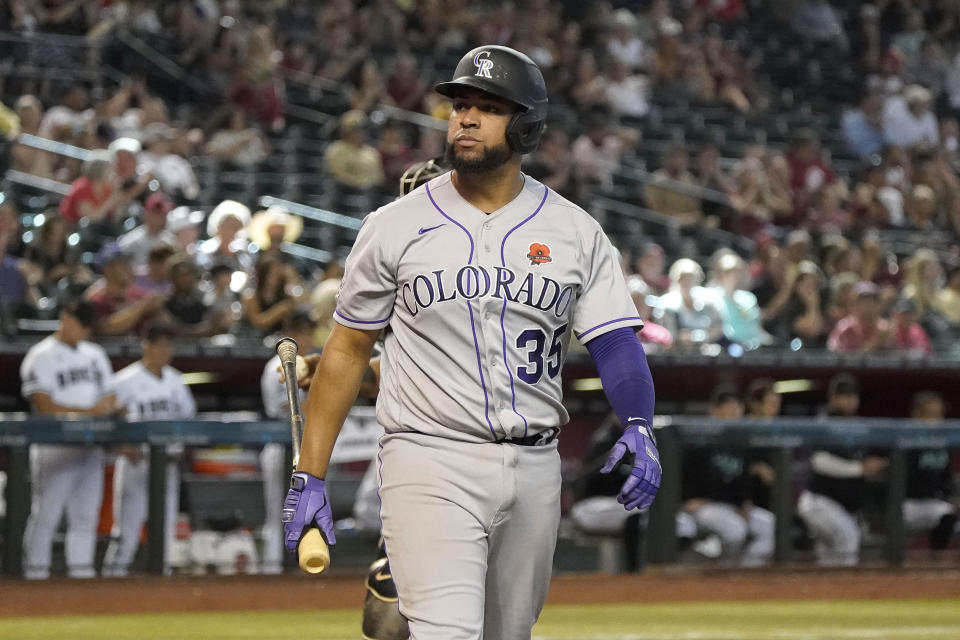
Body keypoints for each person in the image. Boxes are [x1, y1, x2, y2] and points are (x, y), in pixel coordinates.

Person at [283, 45, 660, 640]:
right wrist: (311, 474)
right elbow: (349, 348)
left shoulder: (575, 230)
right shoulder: (394, 225)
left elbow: (615, 342)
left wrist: (638, 421)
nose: (465, 117)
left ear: (528, 124)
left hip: (537, 463)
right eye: (460, 104)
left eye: (488, 107)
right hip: (429, 456)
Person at [19, 299, 117, 579]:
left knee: (86, 515)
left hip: (90, 446)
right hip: (55, 445)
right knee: (47, 514)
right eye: (80, 323)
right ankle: (35, 575)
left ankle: (81, 575)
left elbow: (109, 398)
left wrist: (101, 411)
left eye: (88, 325)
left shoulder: (95, 353)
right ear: (65, 317)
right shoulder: (41, 355)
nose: (84, 330)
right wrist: (92, 411)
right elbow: (44, 406)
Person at [102, 323, 197, 577]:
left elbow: (190, 421)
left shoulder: (176, 380)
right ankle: (110, 585)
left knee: (165, 536)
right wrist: (120, 446)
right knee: (126, 534)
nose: (166, 350)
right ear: (147, 346)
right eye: (161, 344)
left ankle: (161, 595)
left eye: (169, 345)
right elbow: (107, 423)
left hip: (167, 466)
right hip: (137, 464)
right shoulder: (123, 380)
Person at [676, 385, 774, 566]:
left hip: (729, 506)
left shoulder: (740, 443)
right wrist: (685, 499)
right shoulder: (697, 439)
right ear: (715, 411)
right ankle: (724, 574)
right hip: (700, 506)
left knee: (771, 527)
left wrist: (744, 502)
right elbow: (680, 473)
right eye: (729, 411)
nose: (734, 416)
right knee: (735, 529)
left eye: (737, 411)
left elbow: (743, 478)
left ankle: (745, 571)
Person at [797, 374, 888, 566]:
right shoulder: (824, 424)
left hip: (839, 506)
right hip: (819, 502)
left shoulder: (856, 426)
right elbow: (819, 462)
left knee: (828, 558)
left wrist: (873, 466)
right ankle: (846, 592)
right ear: (833, 398)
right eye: (844, 396)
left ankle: (827, 594)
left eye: (852, 396)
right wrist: (860, 468)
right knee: (848, 537)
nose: (849, 401)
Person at [260, 312, 317, 575]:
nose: (308, 338)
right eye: (304, 332)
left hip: (302, 447)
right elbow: (289, 406)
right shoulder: (279, 364)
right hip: (280, 444)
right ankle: (273, 572)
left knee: (303, 516)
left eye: (309, 332)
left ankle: (296, 571)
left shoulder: (307, 364)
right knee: (279, 515)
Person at [904, 391, 957, 555]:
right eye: (930, 414)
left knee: (948, 516)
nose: (936, 420)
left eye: (939, 414)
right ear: (916, 415)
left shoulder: (942, 444)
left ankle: (937, 561)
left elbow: (946, 479)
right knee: (946, 514)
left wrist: (951, 497)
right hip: (907, 505)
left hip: (934, 504)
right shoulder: (904, 442)